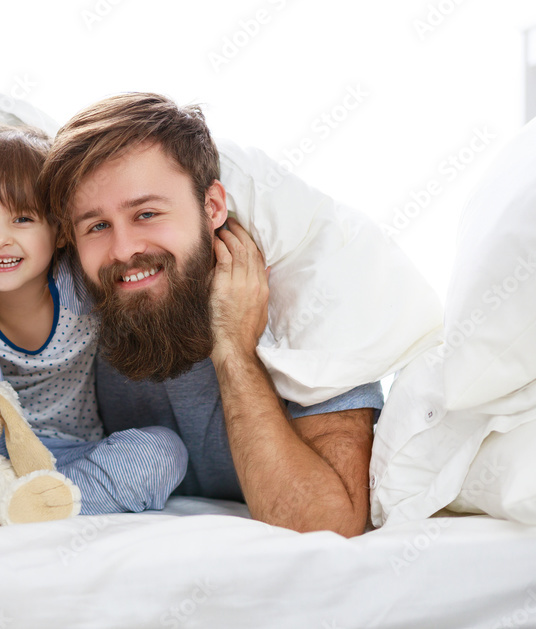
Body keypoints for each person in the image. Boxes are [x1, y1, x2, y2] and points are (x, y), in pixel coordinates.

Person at [40, 93, 384, 537]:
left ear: (213, 207)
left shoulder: (309, 301)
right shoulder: (79, 299)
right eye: (97, 226)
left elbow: (326, 527)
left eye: (147, 213)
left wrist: (234, 350)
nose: (123, 249)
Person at [0, 122, 188, 515]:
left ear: (60, 233)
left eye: (22, 219)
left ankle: (39, 504)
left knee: (164, 450)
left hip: (76, 455)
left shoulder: (80, 285)